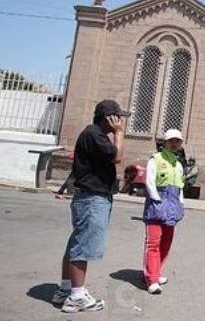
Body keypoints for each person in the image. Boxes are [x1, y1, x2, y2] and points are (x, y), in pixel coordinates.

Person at [52, 100, 128, 313]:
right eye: (118, 117)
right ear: (109, 119)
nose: (120, 121)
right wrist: (119, 133)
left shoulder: (94, 135)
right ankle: (76, 296)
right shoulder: (95, 135)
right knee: (83, 246)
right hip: (92, 198)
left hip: (89, 197)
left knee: (76, 243)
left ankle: (65, 289)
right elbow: (117, 157)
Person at [142, 129, 186, 295]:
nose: (174, 144)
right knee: (153, 243)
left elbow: (180, 187)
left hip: (173, 204)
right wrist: (157, 200)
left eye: (178, 141)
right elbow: (150, 182)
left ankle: (156, 272)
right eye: (171, 141)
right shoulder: (155, 159)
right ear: (165, 142)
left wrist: (181, 204)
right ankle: (151, 279)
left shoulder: (179, 164)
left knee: (166, 243)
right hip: (158, 203)